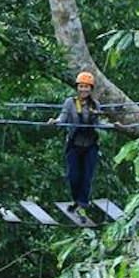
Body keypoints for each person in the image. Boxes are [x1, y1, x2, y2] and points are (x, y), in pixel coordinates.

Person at [54, 71, 104, 214]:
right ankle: (76, 200)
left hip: (90, 145)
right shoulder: (70, 103)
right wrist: (55, 122)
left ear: (91, 89)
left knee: (87, 175)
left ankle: (83, 202)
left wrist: (115, 125)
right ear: (77, 87)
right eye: (81, 86)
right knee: (73, 176)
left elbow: (99, 125)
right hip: (74, 144)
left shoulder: (95, 105)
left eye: (86, 87)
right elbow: (62, 117)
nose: (83, 89)